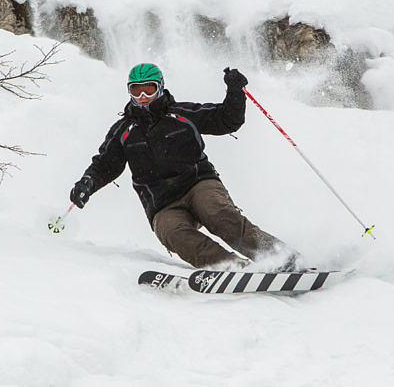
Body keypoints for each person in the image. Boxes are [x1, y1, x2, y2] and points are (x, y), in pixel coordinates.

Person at [69, 63, 302, 271]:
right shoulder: (124, 130)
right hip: (161, 203)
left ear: (159, 87)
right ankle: (232, 268)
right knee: (175, 234)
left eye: (148, 89)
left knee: (218, 214)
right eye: (135, 90)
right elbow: (104, 165)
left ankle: (281, 258)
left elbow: (226, 120)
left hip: (198, 184)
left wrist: (235, 92)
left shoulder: (181, 114)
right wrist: (87, 184)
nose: (142, 96)